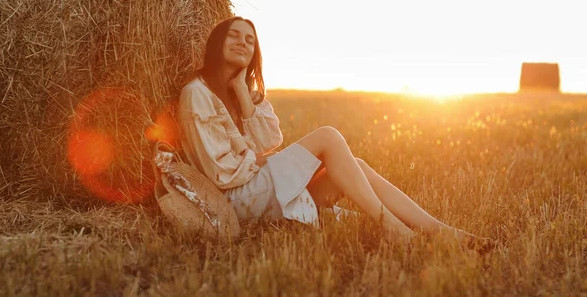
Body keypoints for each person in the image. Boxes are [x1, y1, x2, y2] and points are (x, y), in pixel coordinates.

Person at [176, 16, 494, 250]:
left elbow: (270, 141)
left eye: (250, 40)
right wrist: (264, 162)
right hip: (237, 201)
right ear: (217, 42)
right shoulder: (197, 94)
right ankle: (392, 227)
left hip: (260, 191)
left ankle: (440, 231)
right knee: (328, 136)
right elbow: (222, 174)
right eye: (235, 36)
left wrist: (241, 92)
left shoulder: (242, 92)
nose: (243, 43)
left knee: (357, 166)